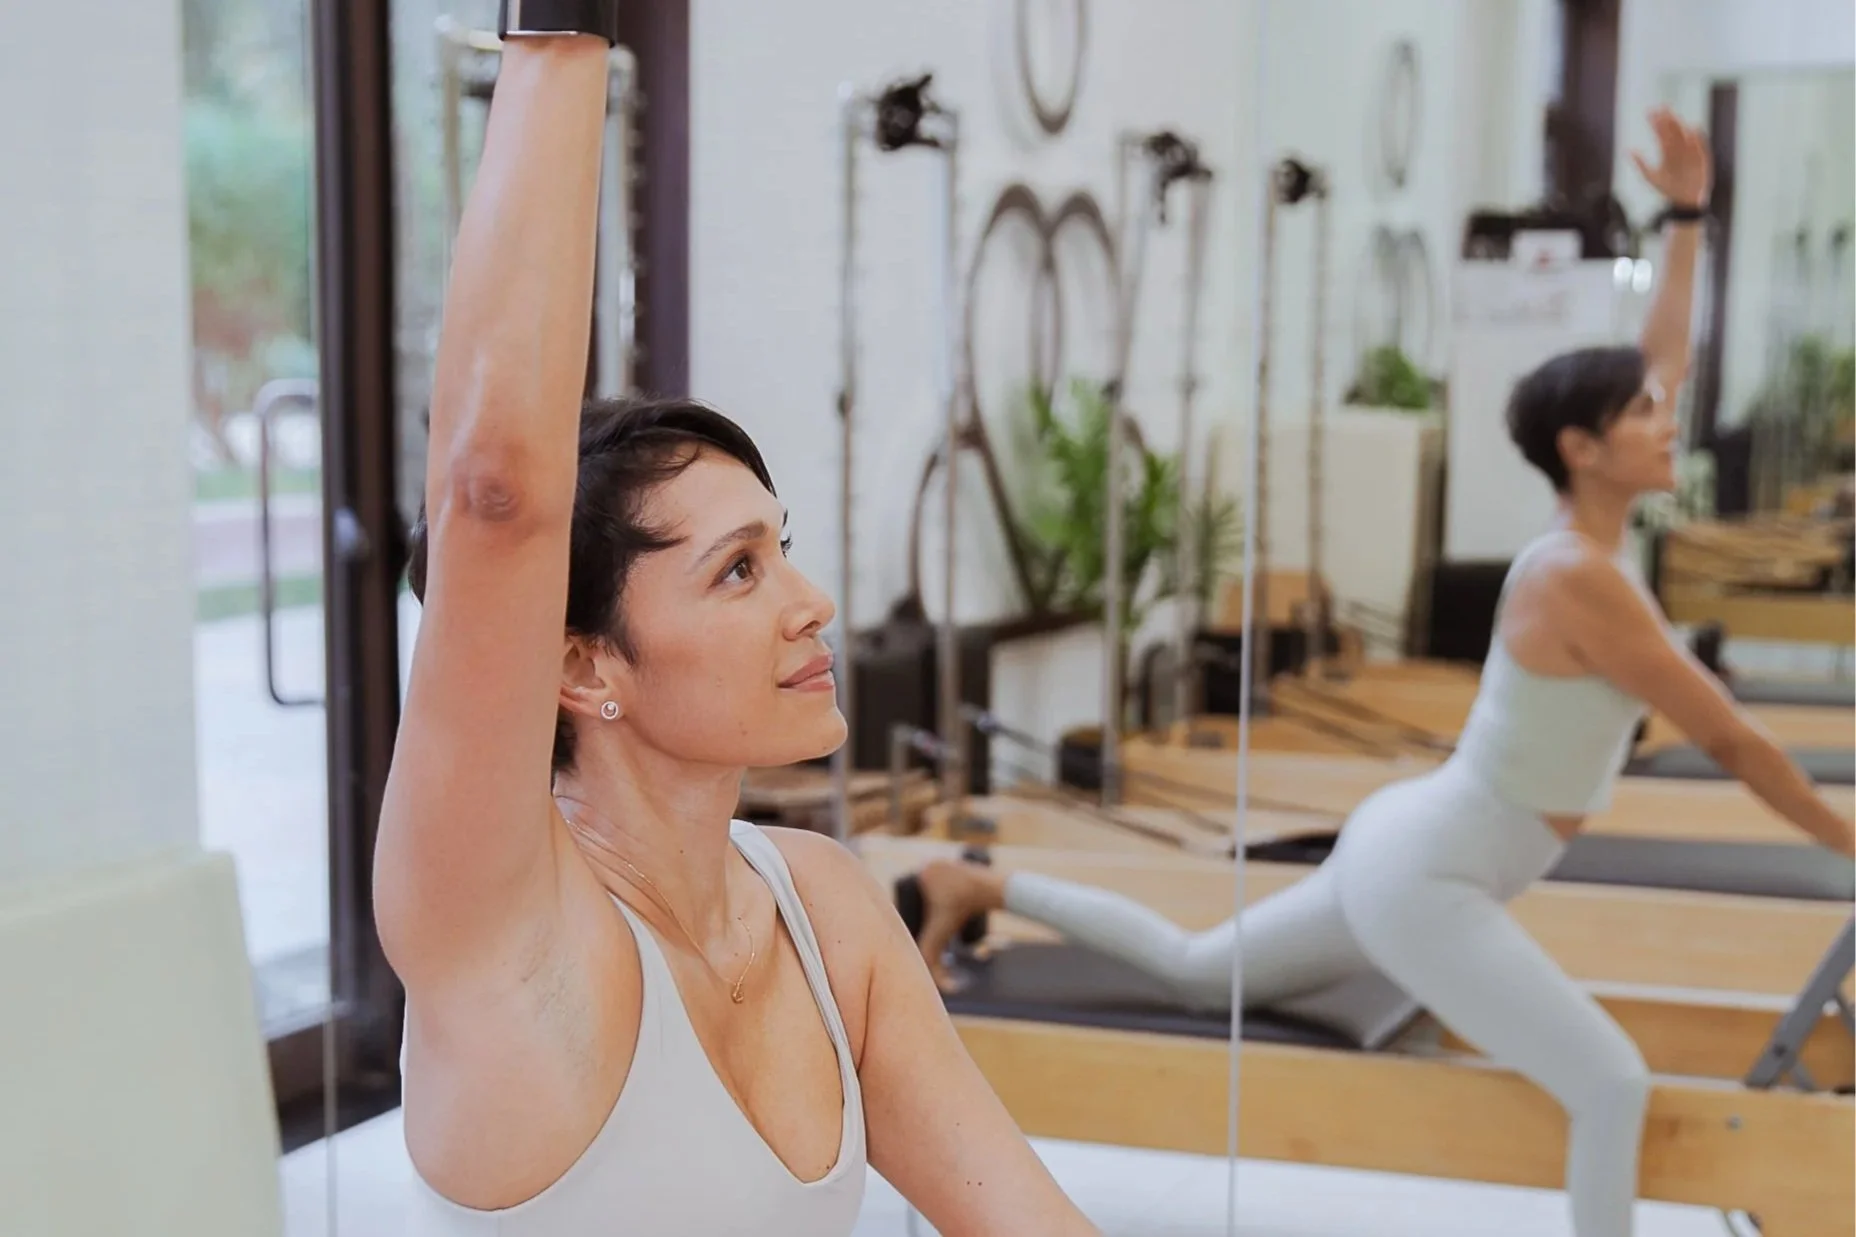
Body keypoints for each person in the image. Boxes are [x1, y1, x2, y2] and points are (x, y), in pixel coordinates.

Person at [911, 108, 1856, 1237]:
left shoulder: (1595, 541)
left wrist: (1689, 217)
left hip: (1412, 844)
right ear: (1581, 448)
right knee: (1610, 1082)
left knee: (1188, 966)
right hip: (1429, 880)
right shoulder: (1577, 580)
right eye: (1643, 419)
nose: (1670, 425)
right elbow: (1736, 740)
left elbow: (1661, 359)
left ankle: (979, 885)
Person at [374, 10, 1099, 1235]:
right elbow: (493, 495)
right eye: (735, 572)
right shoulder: (505, 939)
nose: (811, 605)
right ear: (581, 664)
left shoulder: (826, 907)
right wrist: (564, 39)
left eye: (785, 551)